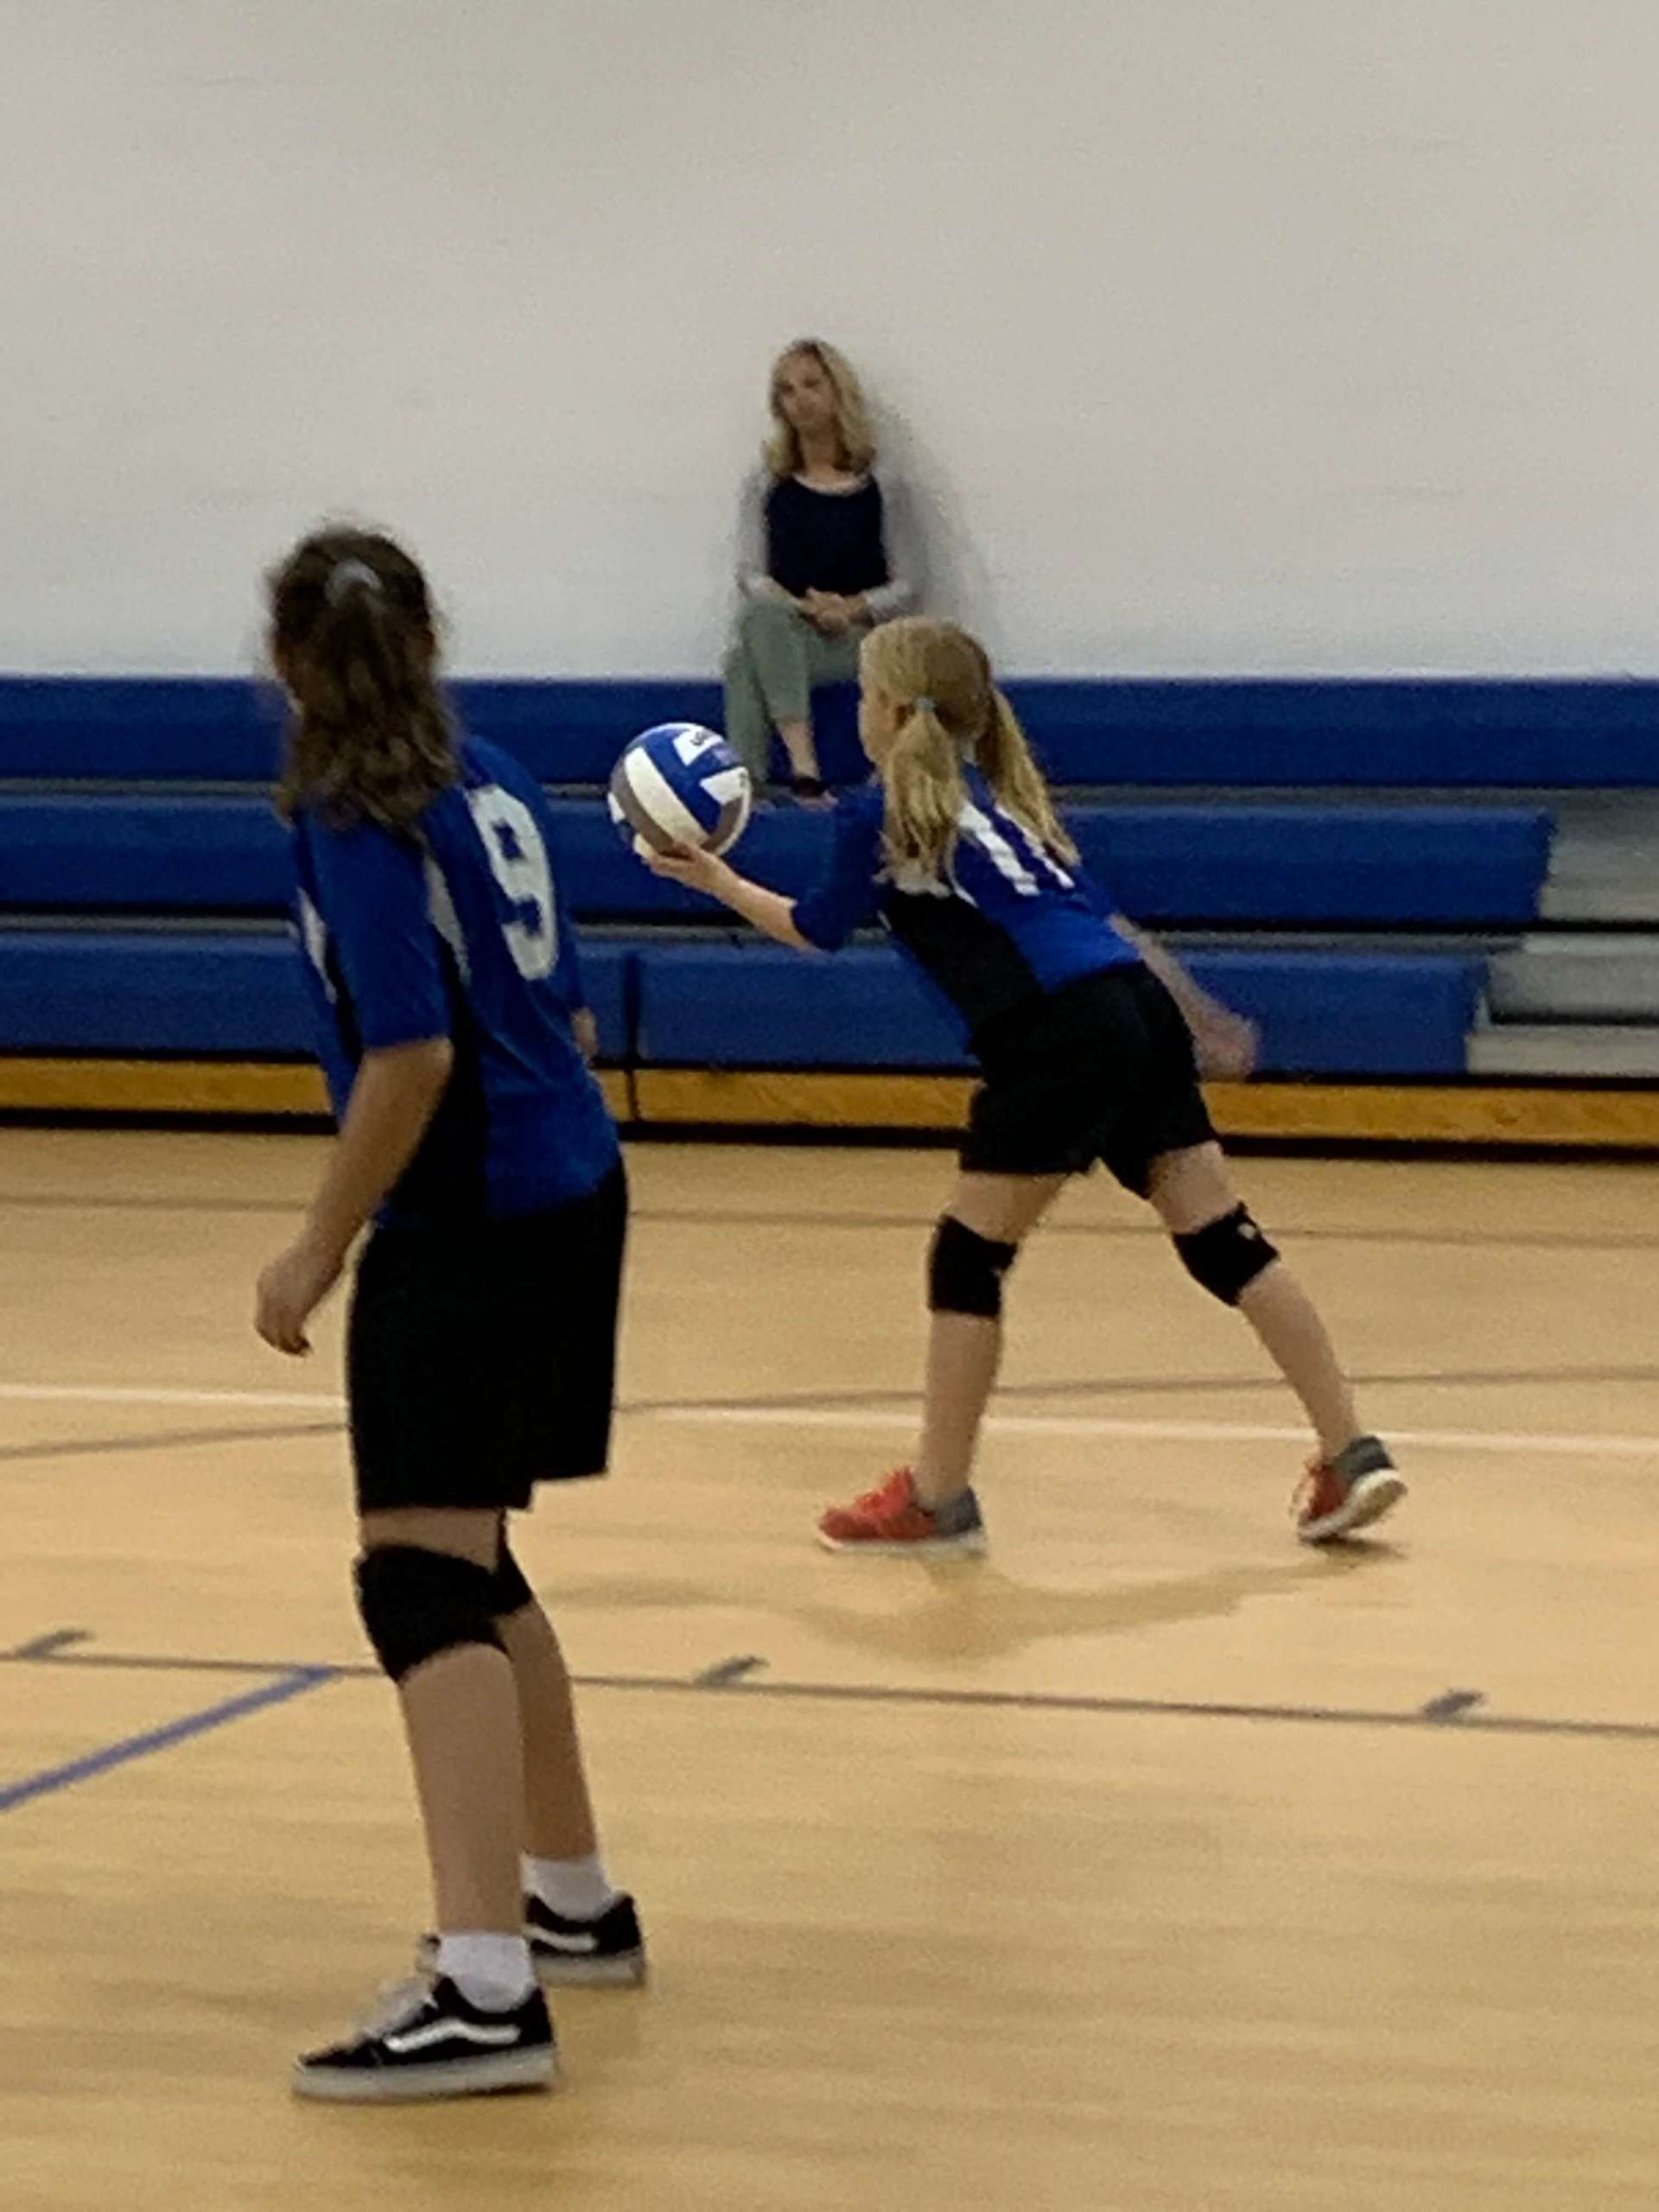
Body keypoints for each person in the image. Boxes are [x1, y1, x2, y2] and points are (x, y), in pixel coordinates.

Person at [649, 616, 1403, 1555]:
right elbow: (1114, 932)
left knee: (968, 1259)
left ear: (886, 710)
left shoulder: (877, 813)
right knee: (1222, 1237)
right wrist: (1201, 1016)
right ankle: (1351, 1446)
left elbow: (816, 928)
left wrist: (713, 876)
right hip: (1132, 1012)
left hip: (1060, 1034)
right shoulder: (998, 813)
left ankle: (936, 1499)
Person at [254, 528, 644, 2103]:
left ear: (284, 664)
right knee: (475, 1561)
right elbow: (546, 1005)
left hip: (469, 1211)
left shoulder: (357, 813)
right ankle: (569, 1899)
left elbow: (410, 1058)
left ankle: (483, 1984)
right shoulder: (495, 777)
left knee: (418, 1585)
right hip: (568, 1185)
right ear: (430, 642)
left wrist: (315, 1249)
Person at [724, 337, 925, 800]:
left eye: (812, 385)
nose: (800, 401)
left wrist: (852, 608)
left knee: (747, 654)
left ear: (838, 392)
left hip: (860, 639)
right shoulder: (768, 481)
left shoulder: (882, 482)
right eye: (787, 391)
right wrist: (806, 609)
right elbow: (751, 575)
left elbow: (910, 581)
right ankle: (776, 776)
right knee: (752, 635)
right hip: (793, 628)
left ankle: (780, 778)